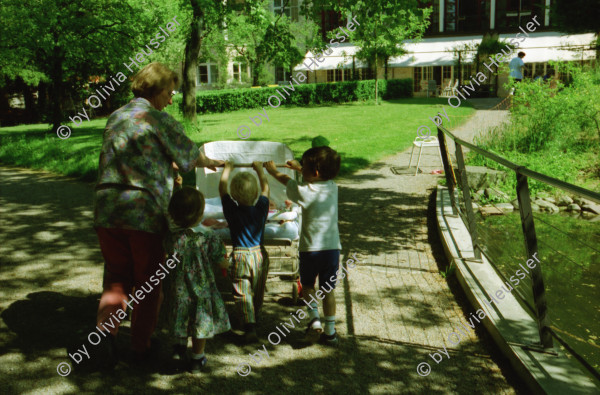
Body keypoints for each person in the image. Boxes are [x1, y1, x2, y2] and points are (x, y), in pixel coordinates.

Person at [92, 62, 223, 366]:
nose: (172, 98)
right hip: (144, 212)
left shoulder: (116, 116)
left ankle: (105, 339)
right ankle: (141, 348)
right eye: (169, 91)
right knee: (149, 283)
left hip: (107, 209)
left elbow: (137, 156)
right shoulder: (158, 119)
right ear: (157, 91)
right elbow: (192, 156)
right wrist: (213, 161)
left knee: (115, 278)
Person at [265, 146, 342, 346]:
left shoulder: (303, 191)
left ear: (314, 172)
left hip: (310, 251)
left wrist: (272, 171)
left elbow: (287, 182)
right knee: (328, 290)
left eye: (305, 165)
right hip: (332, 249)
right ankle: (330, 331)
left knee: (307, 287)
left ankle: (314, 319)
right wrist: (300, 168)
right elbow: (315, 180)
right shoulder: (333, 187)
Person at [164, 186, 231, 373]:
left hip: (178, 287)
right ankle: (197, 358)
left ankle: (178, 350)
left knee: (181, 315)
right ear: (201, 213)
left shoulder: (172, 237)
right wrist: (229, 263)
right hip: (202, 289)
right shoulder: (208, 237)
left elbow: (167, 249)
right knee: (199, 322)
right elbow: (221, 262)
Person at [219, 161, 270, 343]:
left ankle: (249, 325)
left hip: (240, 255)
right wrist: (260, 171)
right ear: (255, 194)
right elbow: (266, 189)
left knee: (242, 291)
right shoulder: (262, 208)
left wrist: (227, 169)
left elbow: (222, 190)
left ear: (234, 195)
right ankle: (255, 314)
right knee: (257, 288)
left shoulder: (231, 210)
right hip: (258, 255)